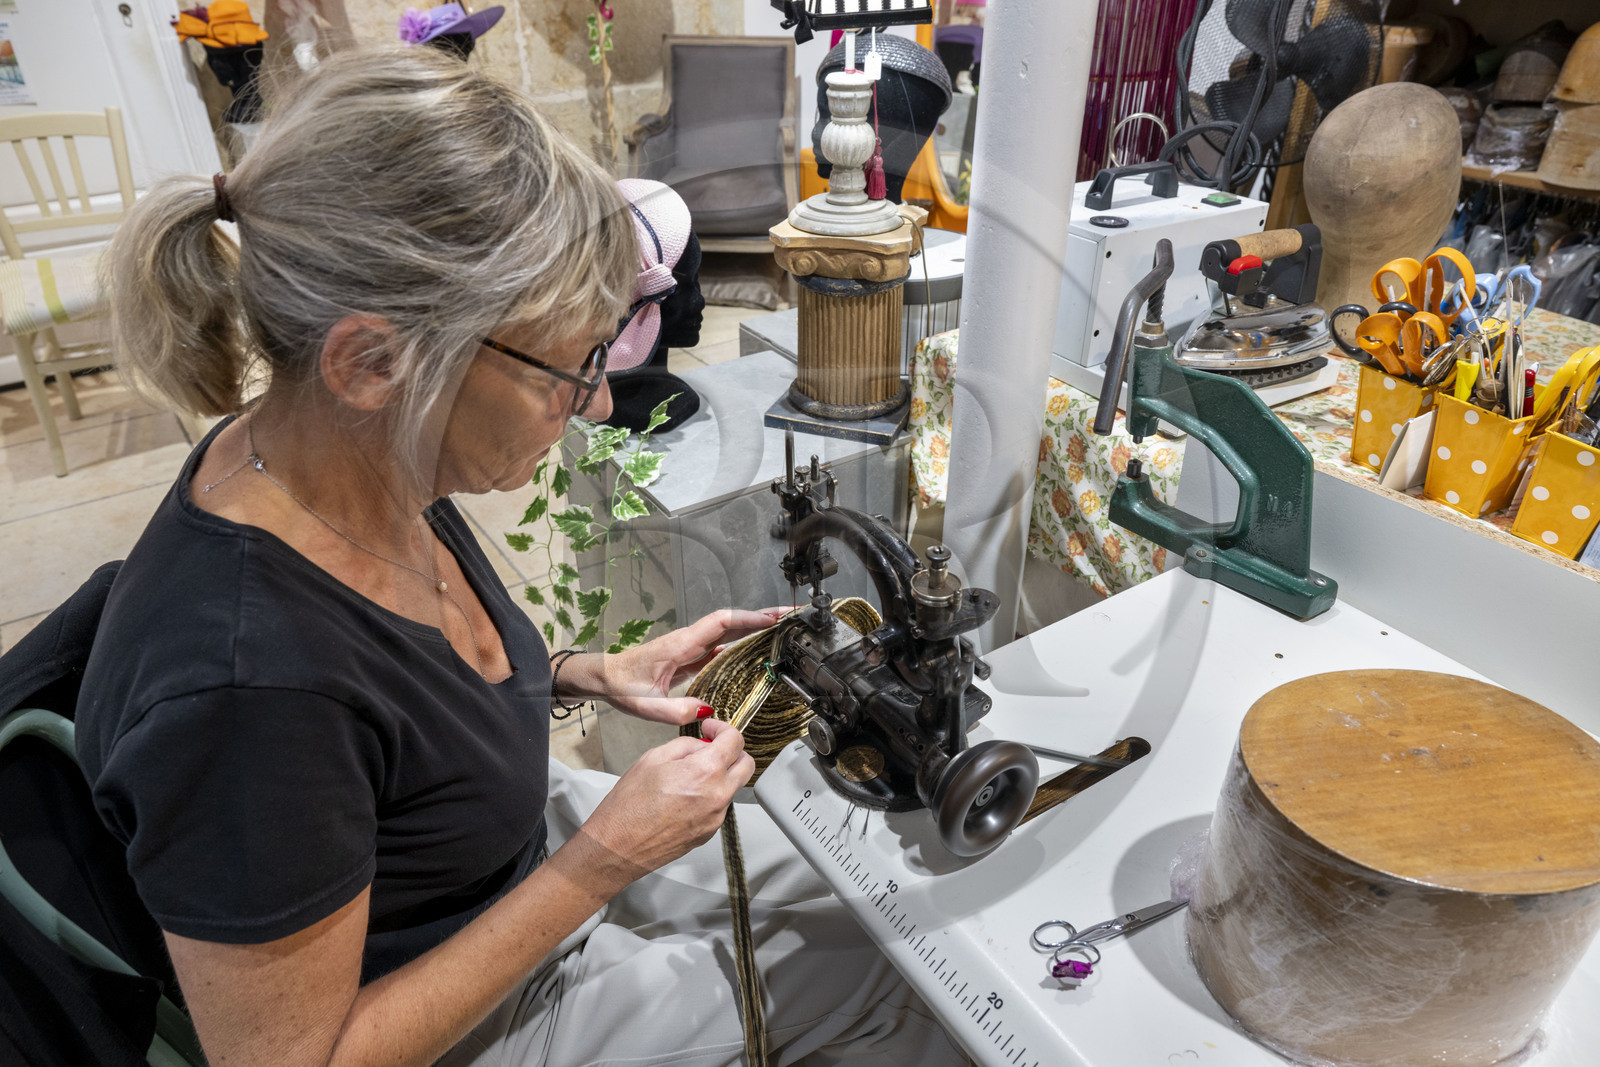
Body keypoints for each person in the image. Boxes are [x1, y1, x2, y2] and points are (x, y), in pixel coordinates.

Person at [77, 46, 969, 1067]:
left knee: (859, 885)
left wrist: (583, 672)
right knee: (907, 976)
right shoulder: (247, 689)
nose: (595, 401)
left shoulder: (333, 453)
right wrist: (598, 865)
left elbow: (390, 707)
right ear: (372, 361)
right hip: (452, 1010)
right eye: (570, 366)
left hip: (497, 861)